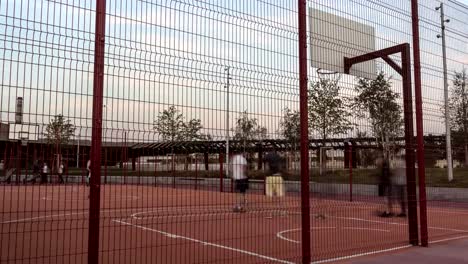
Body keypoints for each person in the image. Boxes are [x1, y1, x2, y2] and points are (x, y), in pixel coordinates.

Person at [376, 151, 393, 217]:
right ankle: (389, 211)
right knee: (387, 198)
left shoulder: (385, 166)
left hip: (386, 183)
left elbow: (386, 175)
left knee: (386, 198)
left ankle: (388, 212)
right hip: (387, 182)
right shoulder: (385, 166)